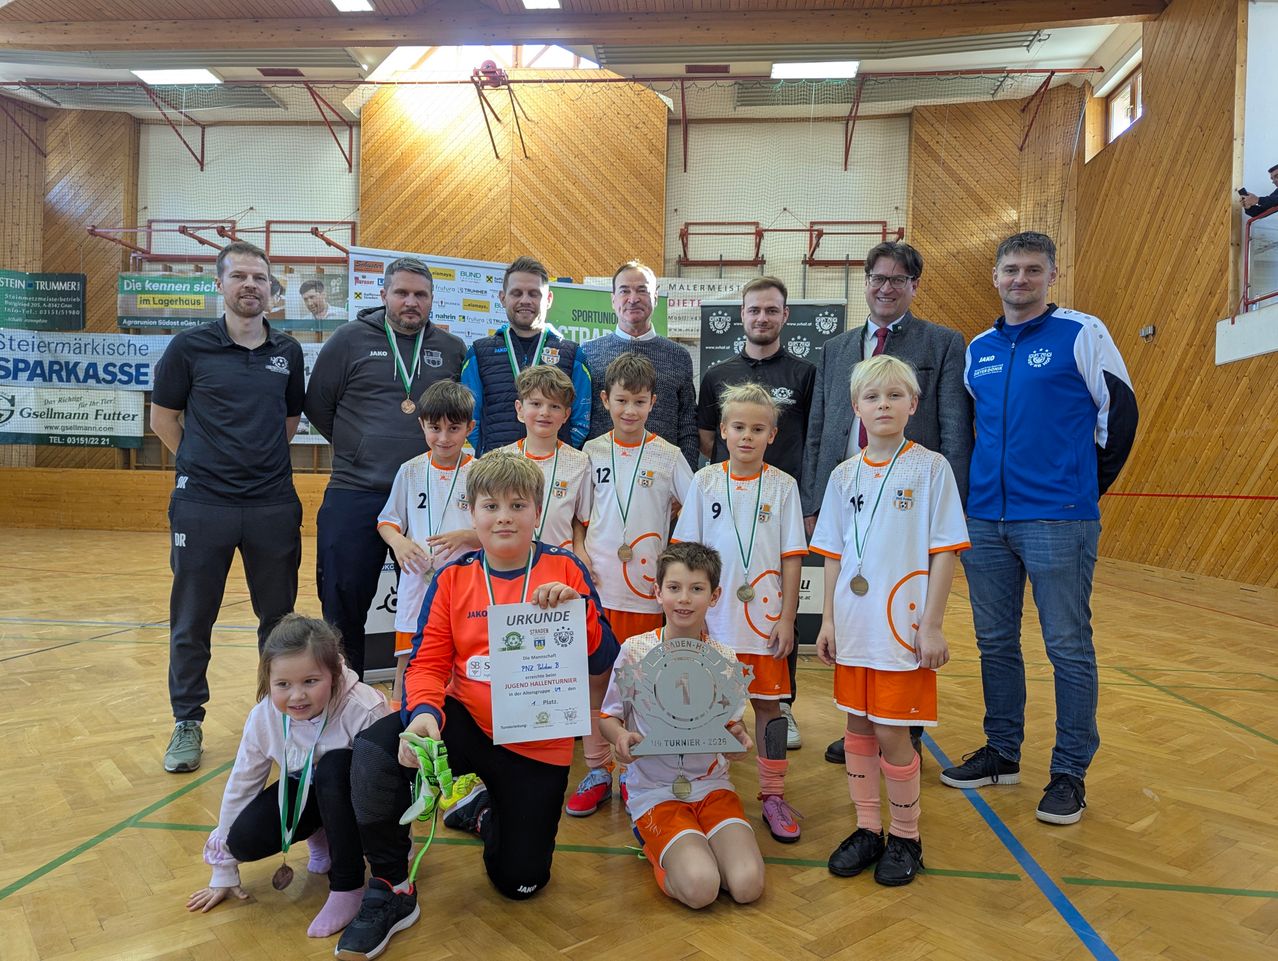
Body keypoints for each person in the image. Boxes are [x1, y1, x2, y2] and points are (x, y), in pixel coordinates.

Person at [336, 453, 618, 960]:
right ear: (473, 513)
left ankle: (483, 814)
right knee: (374, 752)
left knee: (521, 882)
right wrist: (422, 713)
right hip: (466, 720)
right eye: (491, 505)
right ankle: (393, 887)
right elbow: (425, 664)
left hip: (537, 736)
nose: (504, 515)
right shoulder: (454, 578)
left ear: (537, 512)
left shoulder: (565, 568)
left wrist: (579, 615)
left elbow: (604, 659)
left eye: (517, 504)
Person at [940, 231, 1137, 826]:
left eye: (1032, 270)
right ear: (995, 277)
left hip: (1058, 517)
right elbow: (974, 429)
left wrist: (1081, 488)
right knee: (996, 644)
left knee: (1067, 649)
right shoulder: (980, 347)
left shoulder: (1083, 333)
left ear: (1051, 275)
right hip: (987, 519)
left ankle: (1069, 773)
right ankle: (1002, 752)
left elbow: (1120, 414)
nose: (1019, 280)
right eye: (1010, 270)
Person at [803, 240, 972, 767]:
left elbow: (955, 429)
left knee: (904, 614)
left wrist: (948, 507)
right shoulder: (836, 349)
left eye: (898, 279)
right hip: (849, 493)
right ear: (867, 281)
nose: (885, 286)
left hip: (907, 503)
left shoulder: (942, 342)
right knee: (858, 616)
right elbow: (819, 429)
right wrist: (814, 497)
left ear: (914, 286)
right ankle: (862, 716)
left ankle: (904, 727)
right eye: (878, 277)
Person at [811, 355, 969, 886]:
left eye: (894, 396)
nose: (883, 405)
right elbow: (832, 554)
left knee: (893, 735)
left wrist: (932, 624)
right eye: (872, 398)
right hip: (854, 625)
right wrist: (827, 620)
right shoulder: (843, 474)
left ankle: (907, 836)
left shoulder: (931, 468)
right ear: (856, 407)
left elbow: (944, 551)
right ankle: (867, 828)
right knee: (856, 727)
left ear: (913, 405)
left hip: (901, 629)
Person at [151, 240, 305, 774]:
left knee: (278, 621)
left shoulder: (288, 351)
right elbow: (164, 419)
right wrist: (201, 463)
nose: (249, 286)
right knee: (193, 619)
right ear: (219, 284)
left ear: (270, 289)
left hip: (271, 505)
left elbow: (286, 426)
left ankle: (277, 716)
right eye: (239, 276)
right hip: (203, 506)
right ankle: (187, 721)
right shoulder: (188, 348)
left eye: (259, 278)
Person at [305, 257, 466, 678]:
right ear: (383, 295)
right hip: (357, 490)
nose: (410, 302)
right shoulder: (348, 340)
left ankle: (440, 693)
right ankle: (344, 693)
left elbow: (457, 413)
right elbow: (319, 405)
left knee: (444, 599)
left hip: (428, 495)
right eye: (402, 293)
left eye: (420, 295)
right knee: (343, 600)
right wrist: (358, 448)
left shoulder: (450, 349)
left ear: (432, 300)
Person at [185, 615, 388, 937]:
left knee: (335, 766)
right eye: (283, 685)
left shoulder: (363, 709)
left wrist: (392, 850)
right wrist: (223, 868)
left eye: (310, 681)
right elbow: (242, 783)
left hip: (360, 801)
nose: (297, 697)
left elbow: (389, 784)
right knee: (243, 840)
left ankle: (347, 886)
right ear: (268, 680)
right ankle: (320, 837)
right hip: (308, 792)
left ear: (333, 675)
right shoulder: (264, 716)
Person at [672, 383, 807, 843]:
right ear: (723, 431)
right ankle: (707, 787)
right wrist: (690, 618)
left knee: (771, 708)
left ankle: (772, 794)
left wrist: (787, 617)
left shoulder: (784, 486)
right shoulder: (705, 481)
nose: (747, 436)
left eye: (757, 428)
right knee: (705, 709)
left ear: (772, 434)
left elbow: (792, 557)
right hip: (715, 621)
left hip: (765, 622)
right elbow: (687, 552)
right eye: (738, 427)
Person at [599, 542, 765, 909]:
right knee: (701, 888)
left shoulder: (724, 660)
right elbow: (608, 717)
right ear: (657, 592)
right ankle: (658, 845)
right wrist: (622, 737)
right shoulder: (635, 651)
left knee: (747, 886)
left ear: (715, 595)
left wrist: (738, 740)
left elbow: (731, 729)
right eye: (674, 588)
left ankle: (697, 849)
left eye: (697, 588)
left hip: (711, 786)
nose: (684, 599)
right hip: (655, 790)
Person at [570, 352, 695, 817]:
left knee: (640, 685)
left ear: (653, 402)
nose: (629, 410)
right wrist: (581, 549)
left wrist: (673, 555)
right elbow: (581, 517)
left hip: (645, 594)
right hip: (600, 588)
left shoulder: (669, 455)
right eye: (621, 400)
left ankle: (636, 772)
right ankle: (598, 769)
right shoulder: (592, 452)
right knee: (596, 682)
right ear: (605, 400)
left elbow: (696, 508)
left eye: (639, 401)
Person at [697, 275, 815, 750]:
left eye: (771, 310)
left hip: (778, 504)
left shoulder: (805, 374)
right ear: (741, 316)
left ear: (785, 316)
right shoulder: (717, 373)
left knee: (773, 620)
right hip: (731, 501)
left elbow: (814, 435)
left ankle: (781, 707)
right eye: (753, 310)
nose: (762, 317)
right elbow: (706, 438)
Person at [377, 380, 480, 707]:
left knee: (463, 658)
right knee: (409, 657)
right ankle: (397, 720)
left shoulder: (480, 474)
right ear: (422, 424)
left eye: (454, 428)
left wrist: (466, 536)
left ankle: (458, 721)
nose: (444, 438)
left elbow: (497, 531)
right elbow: (387, 520)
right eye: (435, 428)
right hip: (418, 580)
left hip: (467, 583)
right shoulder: (410, 471)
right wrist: (397, 542)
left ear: (470, 428)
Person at [461, 256, 591, 455]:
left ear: (548, 299)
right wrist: (489, 452)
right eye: (516, 293)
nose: (525, 300)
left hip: (553, 468)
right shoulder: (479, 353)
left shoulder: (572, 354)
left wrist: (559, 454)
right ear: (503, 298)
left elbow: (581, 419)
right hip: (498, 470)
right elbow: (469, 417)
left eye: (534, 293)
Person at [580, 260, 700, 470]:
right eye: (625, 291)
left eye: (642, 291)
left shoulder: (678, 355)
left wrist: (683, 481)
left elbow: (688, 424)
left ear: (655, 296)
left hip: (662, 477)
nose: (633, 299)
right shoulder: (587, 353)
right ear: (613, 299)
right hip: (602, 479)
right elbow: (579, 419)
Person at [497, 365, 592, 556]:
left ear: (566, 415)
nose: (545, 412)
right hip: (510, 561)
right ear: (519, 409)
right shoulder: (498, 460)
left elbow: (581, 519)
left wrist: (580, 549)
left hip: (561, 563)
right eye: (536, 404)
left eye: (554, 406)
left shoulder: (580, 462)